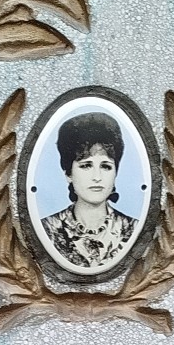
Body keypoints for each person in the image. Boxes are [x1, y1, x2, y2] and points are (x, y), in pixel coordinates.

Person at [41, 111, 137, 271]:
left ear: (115, 173)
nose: (97, 177)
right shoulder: (46, 230)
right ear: (68, 173)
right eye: (86, 166)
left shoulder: (134, 229)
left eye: (106, 166)